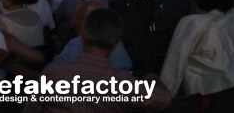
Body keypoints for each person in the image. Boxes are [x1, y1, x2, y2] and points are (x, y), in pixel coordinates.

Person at [33, 7, 172, 112]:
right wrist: (152, 78)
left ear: (82, 36)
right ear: (116, 44)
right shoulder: (122, 82)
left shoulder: (52, 72)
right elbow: (165, 100)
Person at [53, 0, 132, 70]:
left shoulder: (76, 44)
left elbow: (55, 70)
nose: (73, 22)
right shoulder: (117, 46)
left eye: (79, 18)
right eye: (75, 17)